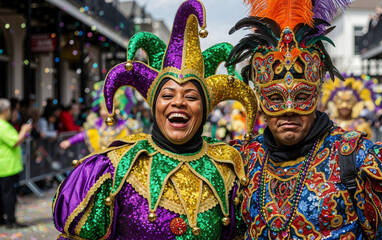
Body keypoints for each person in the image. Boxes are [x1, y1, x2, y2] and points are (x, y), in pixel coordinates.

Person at [52, 0, 258, 239]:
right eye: (168, 94)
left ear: (206, 109)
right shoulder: (112, 169)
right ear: (153, 104)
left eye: (190, 96)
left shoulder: (228, 170)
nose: (178, 102)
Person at [226, 0, 382, 238]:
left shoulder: (359, 159)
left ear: (317, 93)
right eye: (276, 97)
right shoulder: (244, 160)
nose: (289, 109)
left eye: (301, 96)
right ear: (260, 96)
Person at [59, 81, 140, 152]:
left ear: (115, 110)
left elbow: (137, 139)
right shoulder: (97, 125)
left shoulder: (125, 126)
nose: (104, 113)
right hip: (102, 163)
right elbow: (85, 134)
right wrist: (70, 141)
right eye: (102, 109)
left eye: (107, 110)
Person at [0, 98, 32, 228]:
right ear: (5, 110)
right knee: (9, 195)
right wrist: (24, 130)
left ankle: (3, 219)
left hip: (6, 166)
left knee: (4, 194)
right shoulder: (2, 125)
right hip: (7, 166)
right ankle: (11, 221)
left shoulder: (4, 125)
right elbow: (15, 142)